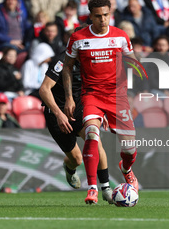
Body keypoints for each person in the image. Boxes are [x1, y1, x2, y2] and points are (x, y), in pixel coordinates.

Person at [63, 0, 138, 204]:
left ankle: (126, 169)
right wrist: (69, 97)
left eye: (106, 15)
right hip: (92, 95)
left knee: (129, 149)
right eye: (98, 16)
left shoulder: (121, 36)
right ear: (90, 16)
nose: (103, 20)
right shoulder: (78, 38)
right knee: (91, 134)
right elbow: (67, 67)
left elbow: (132, 63)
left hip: (117, 96)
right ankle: (92, 188)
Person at [38, 39, 113, 203]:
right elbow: (44, 89)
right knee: (77, 159)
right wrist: (59, 114)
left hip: (80, 108)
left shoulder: (94, 60)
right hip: (56, 113)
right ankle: (69, 168)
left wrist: (102, 110)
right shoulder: (62, 60)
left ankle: (106, 188)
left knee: (95, 141)